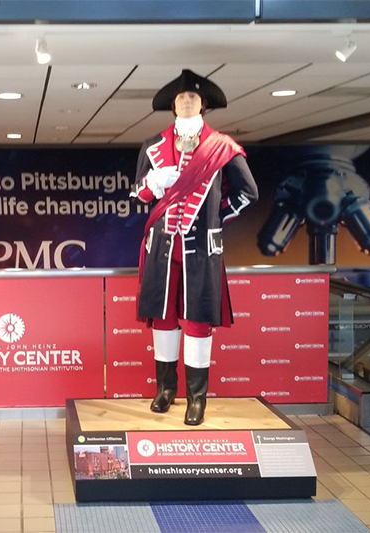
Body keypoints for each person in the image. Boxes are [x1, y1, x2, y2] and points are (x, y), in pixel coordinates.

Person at [130, 69, 258, 425]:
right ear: (173, 105)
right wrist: (154, 182)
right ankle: (165, 390)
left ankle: (196, 399)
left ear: (204, 105)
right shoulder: (152, 145)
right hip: (161, 248)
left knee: (198, 323)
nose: (187, 102)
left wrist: (217, 219)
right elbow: (138, 195)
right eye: (181, 98)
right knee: (164, 321)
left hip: (202, 249)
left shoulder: (223, 147)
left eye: (194, 98)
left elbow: (249, 194)